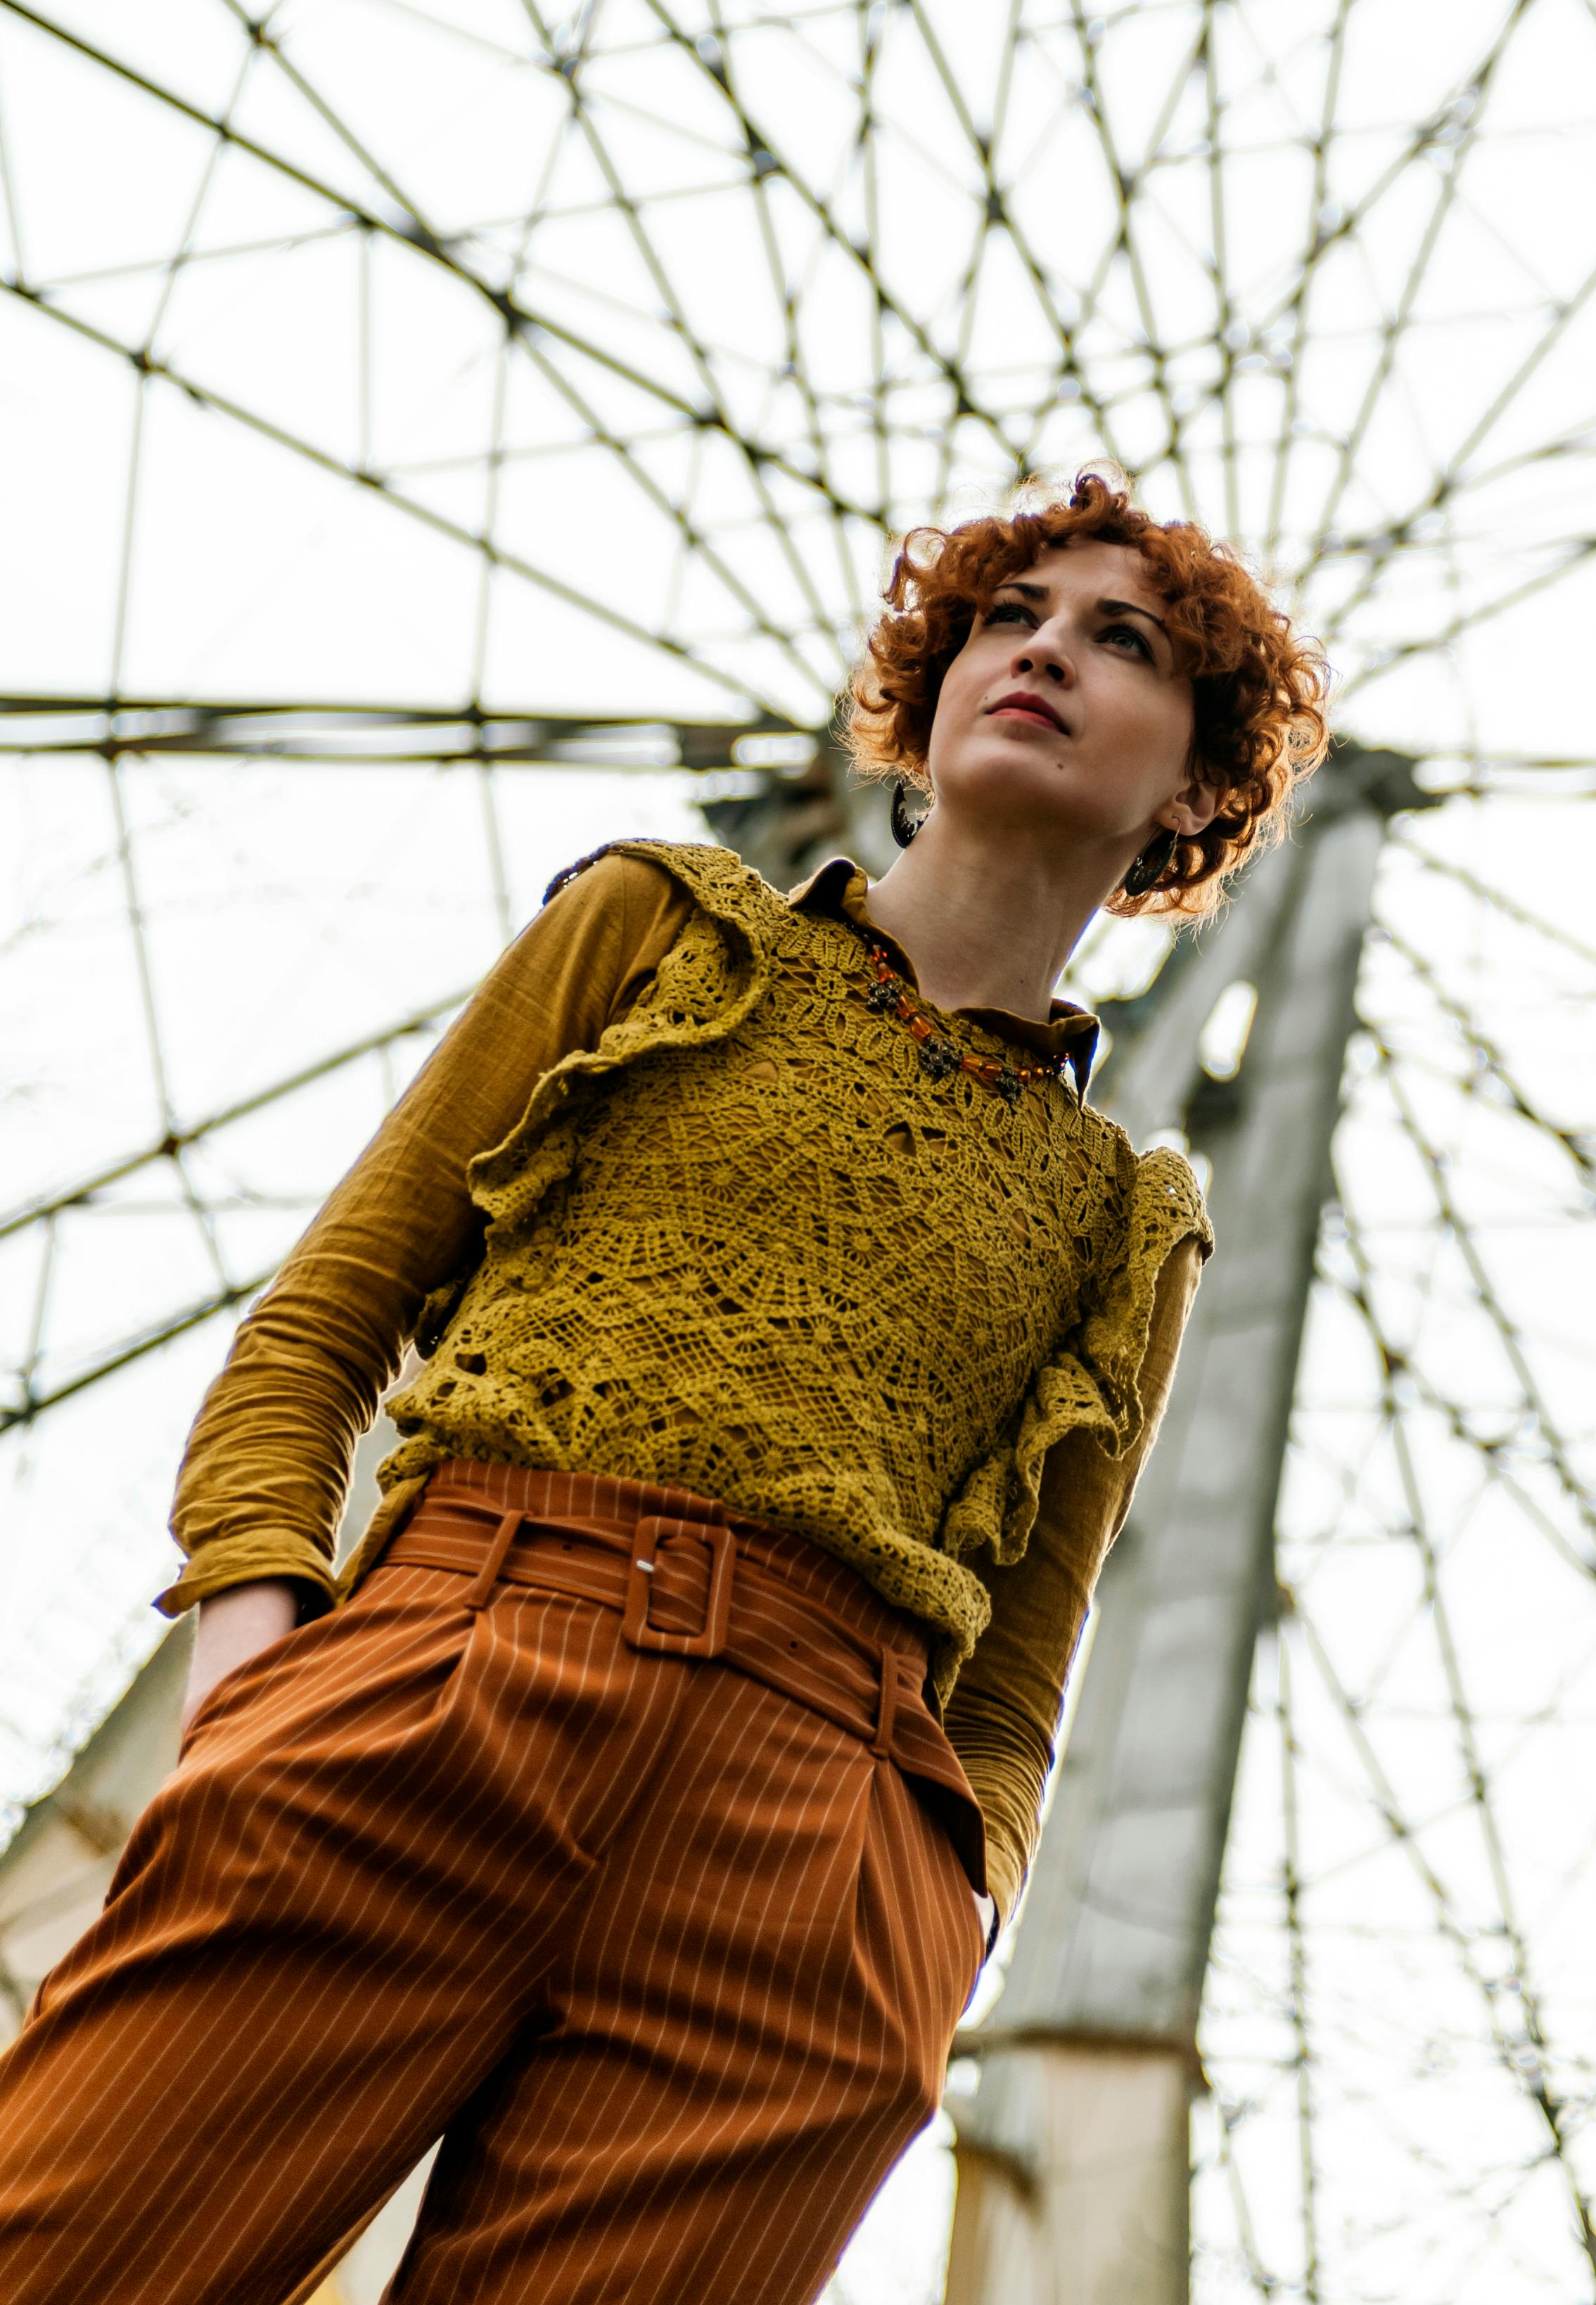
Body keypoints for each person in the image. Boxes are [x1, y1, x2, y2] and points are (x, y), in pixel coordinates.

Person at [0, 470, 1330, 2305]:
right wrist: (250, 1671)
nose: (1046, 652)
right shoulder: (658, 932)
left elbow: (1019, 1673)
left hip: (816, 1862)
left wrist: (940, 1915)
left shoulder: (1130, 1225)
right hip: (443, 1681)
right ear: (930, 695)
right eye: (1008, 617)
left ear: (1194, 793)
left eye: (1125, 643)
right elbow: (322, 1327)